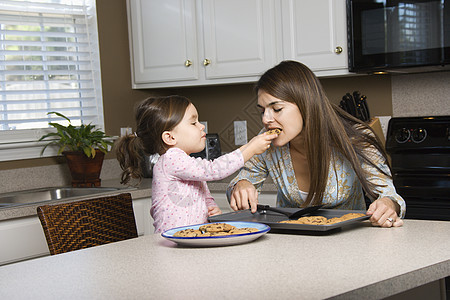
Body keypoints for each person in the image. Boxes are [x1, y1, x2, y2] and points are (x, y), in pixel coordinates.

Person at [226, 60, 406, 228]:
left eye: (277, 109)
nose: (266, 119)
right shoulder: (267, 143)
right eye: (262, 111)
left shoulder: (354, 139)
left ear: (306, 104)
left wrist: (388, 205)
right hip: (290, 242)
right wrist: (241, 184)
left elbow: (390, 196)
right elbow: (239, 182)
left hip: (348, 244)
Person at [115, 95, 277, 233]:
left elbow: (203, 193)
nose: (202, 126)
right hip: (171, 244)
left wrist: (212, 210)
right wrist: (250, 148)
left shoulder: (187, 164)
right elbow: (214, 170)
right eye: (193, 123)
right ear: (170, 137)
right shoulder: (171, 159)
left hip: (189, 240)